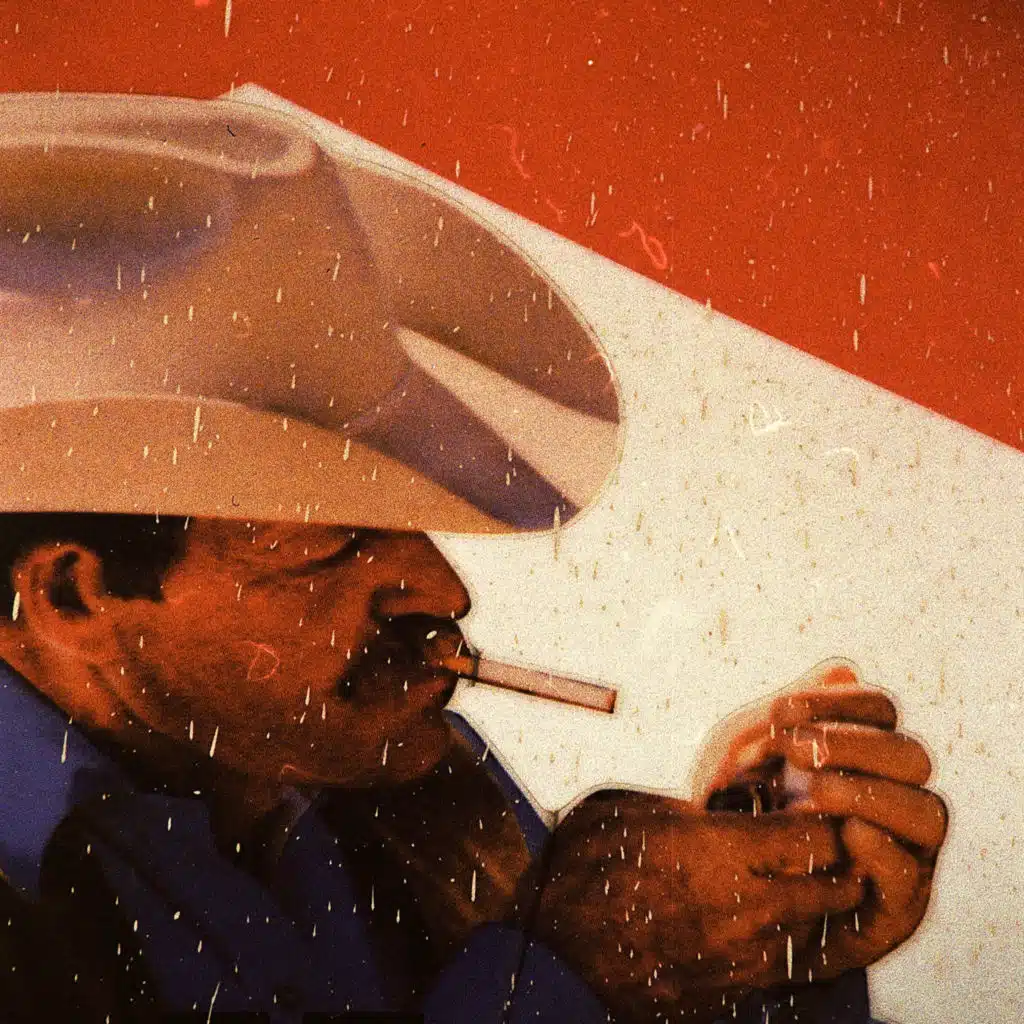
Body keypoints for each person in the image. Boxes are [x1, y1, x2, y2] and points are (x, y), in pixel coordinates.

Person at [0, 92, 946, 1024]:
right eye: (333, 547)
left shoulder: (399, 780)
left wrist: (751, 939)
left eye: (406, 522)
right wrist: (575, 977)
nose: (442, 589)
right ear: (72, 598)